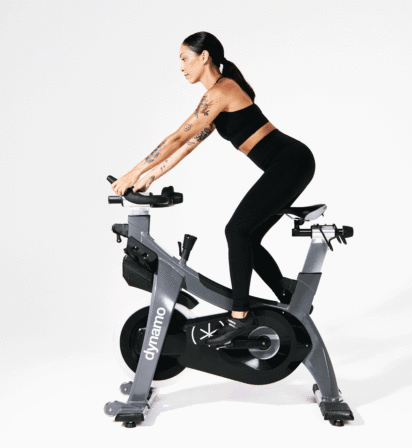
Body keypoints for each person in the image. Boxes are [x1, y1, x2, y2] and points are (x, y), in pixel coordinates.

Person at [111, 31, 315, 347]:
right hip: (289, 165)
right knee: (248, 237)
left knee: (237, 231)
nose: (181, 67)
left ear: (204, 56)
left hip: (291, 162)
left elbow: (177, 137)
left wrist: (133, 172)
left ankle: (240, 317)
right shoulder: (215, 98)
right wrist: (150, 177)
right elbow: (188, 145)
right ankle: (286, 292)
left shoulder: (222, 91)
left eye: (184, 58)